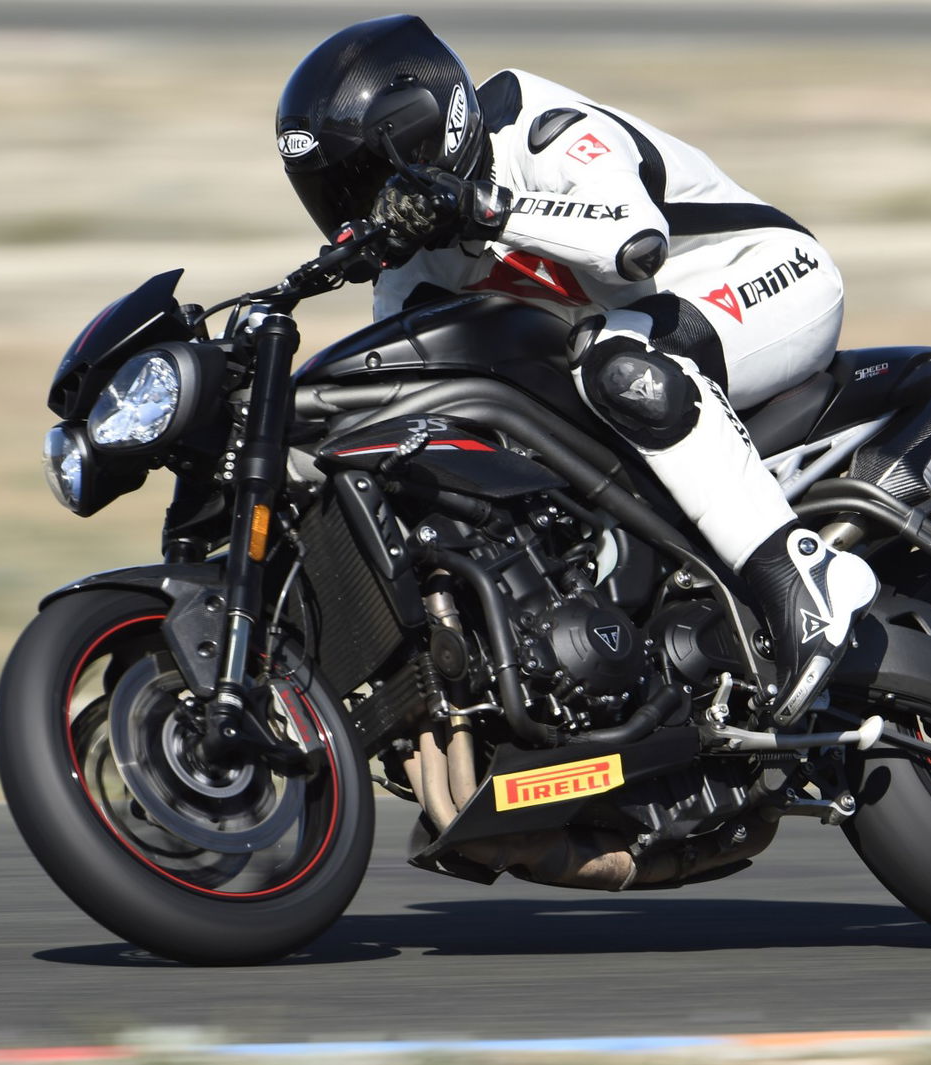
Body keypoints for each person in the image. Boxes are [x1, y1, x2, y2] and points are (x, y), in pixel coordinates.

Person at [276, 14, 877, 726]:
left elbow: (634, 244)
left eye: (366, 181)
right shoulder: (412, 269)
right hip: (637, 341)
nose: (365, 211)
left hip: (764, 278)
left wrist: (478, 208)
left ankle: (803, 578)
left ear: (421, 136)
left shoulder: (539, 128)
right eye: (335, 193)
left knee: (618, 366)